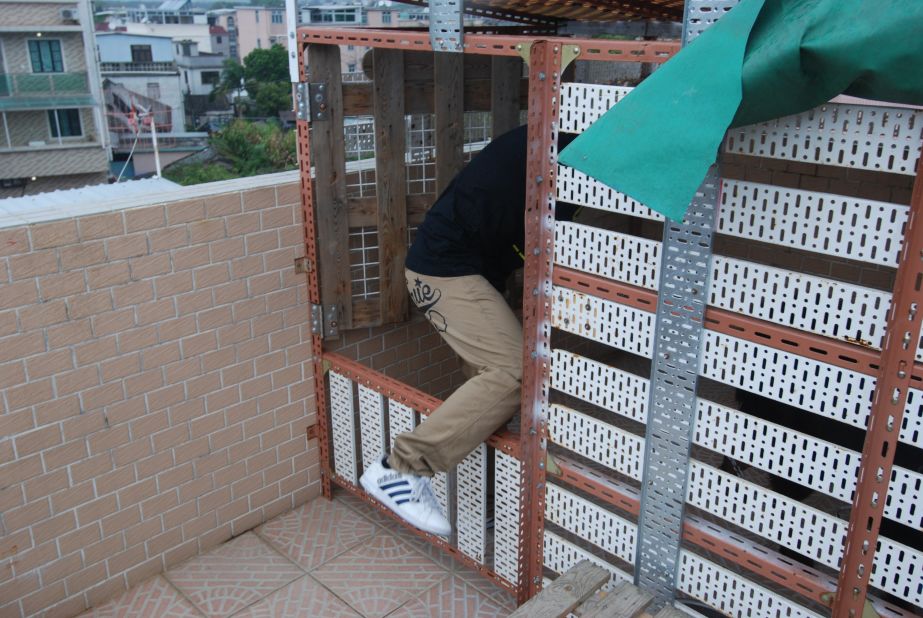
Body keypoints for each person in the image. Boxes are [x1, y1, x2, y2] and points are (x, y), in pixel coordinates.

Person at [360, 125, 576, 535]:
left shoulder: (563, 147)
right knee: (514, 372)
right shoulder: (567, 150)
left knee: (487, 392)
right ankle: (402, 468)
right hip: (448, 269)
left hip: (461, 270)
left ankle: (488, 503)